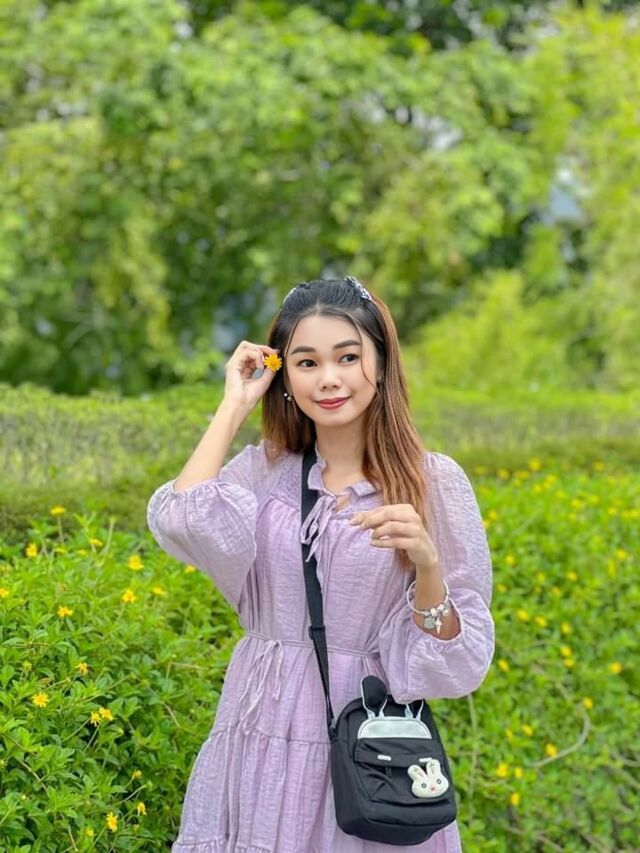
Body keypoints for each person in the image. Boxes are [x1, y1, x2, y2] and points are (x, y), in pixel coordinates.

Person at [146, 278, 495, 852]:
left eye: (348, 357)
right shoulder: (265, 472)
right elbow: (181, 520)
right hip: (259, 726)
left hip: (366, 737)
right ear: (285, 377)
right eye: (307, 362)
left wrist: (428, 567)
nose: (329, 378)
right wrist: (234, 405)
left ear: (381, 363)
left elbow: (457, 663)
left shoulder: (433, 483)